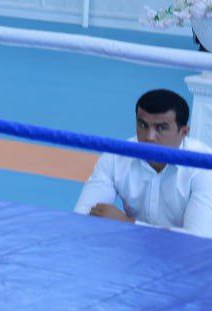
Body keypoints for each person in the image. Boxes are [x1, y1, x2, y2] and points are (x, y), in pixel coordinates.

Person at [74, 89, 212, 238]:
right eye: (143, 125)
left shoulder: (204, 166)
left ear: (184, 132)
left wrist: (126, 223)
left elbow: (199, 240)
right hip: (132, 245)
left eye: (161, 128)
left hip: (189, 252)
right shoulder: (115, 156)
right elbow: (82, 218)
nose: (149, 137)